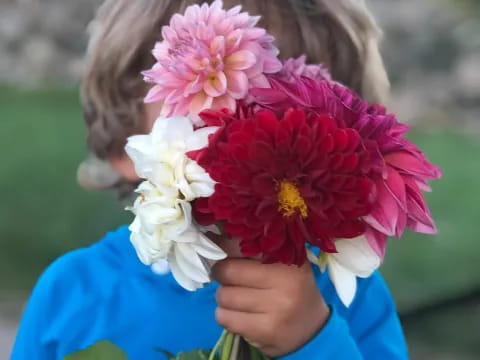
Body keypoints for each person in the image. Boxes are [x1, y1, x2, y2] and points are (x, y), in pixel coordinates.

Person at [11, 0, 407, 359]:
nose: (252, 141)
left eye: (292, 117)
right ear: (126, 142)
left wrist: (312, 341)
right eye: (214, 113)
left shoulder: (352, 300)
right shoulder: (73, 293)